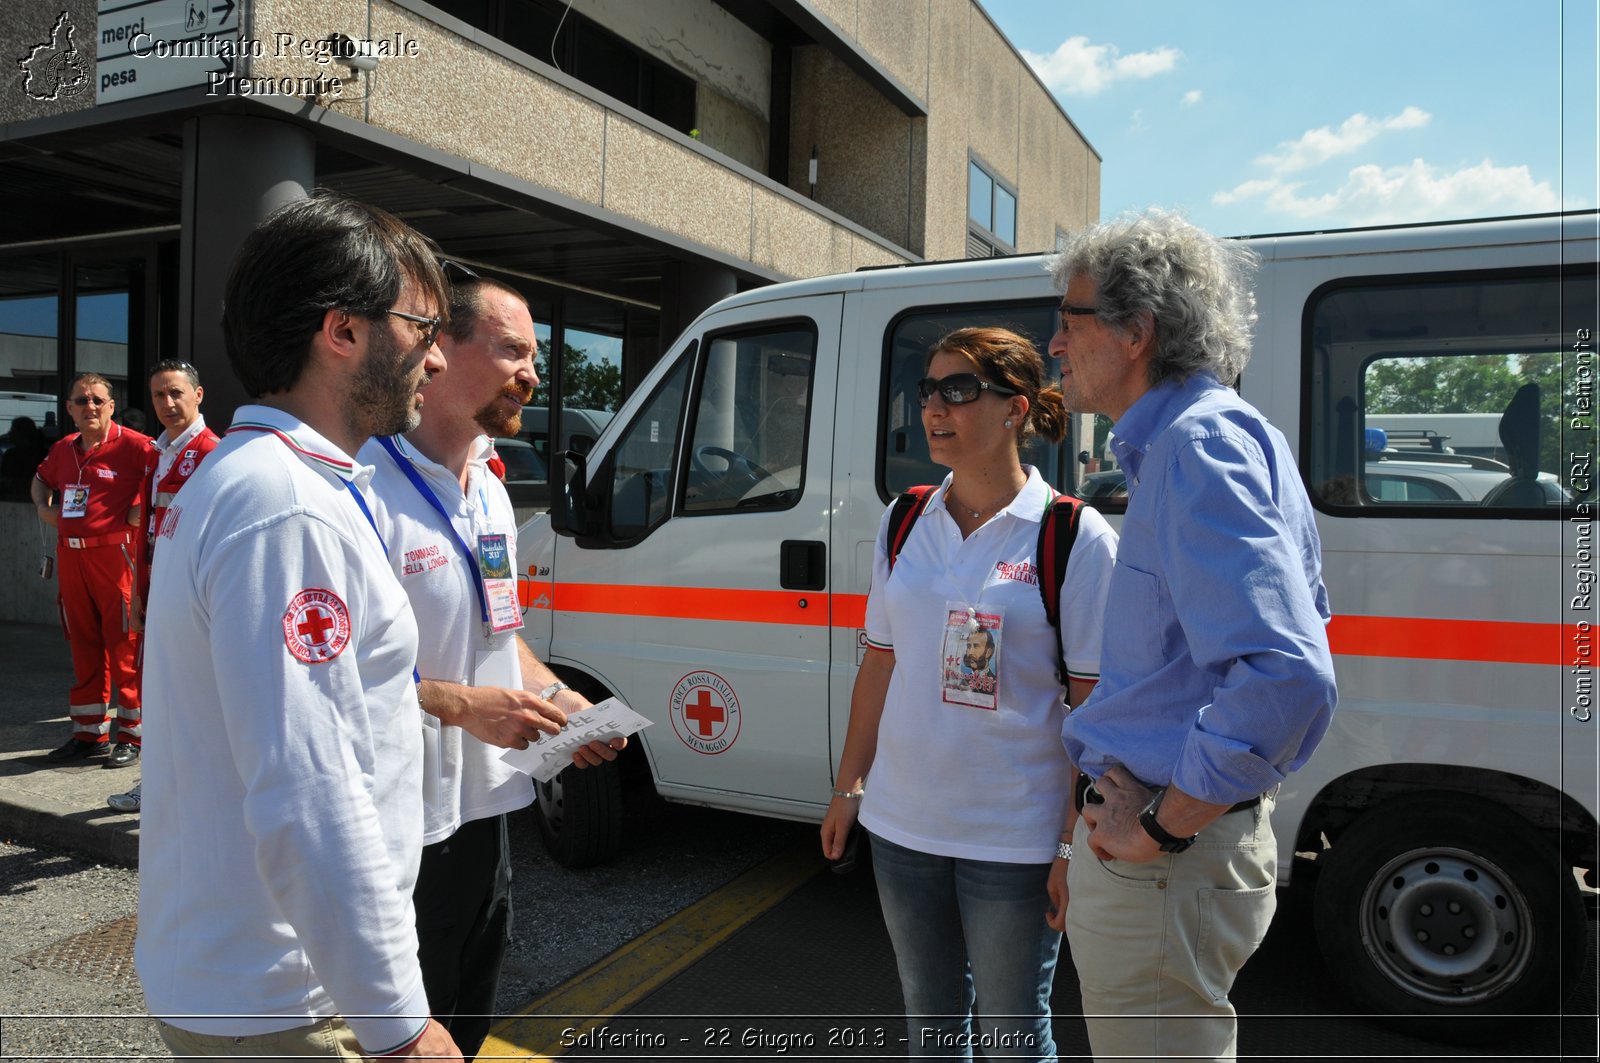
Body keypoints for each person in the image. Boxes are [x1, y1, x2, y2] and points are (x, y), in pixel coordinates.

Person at [135, 191, 462, 1062]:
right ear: (342, 332)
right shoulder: (287, 507)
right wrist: (400, 1025)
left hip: (263, 981)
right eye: (424, 329)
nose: (436, 360)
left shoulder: (263, 482)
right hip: (288, 999)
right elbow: (310, 790)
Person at [1047, 210, 1337, 1062]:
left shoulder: (1195, 445)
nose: (1054, 342)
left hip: (1165, 866)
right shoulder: (1211, 436)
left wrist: (1164, 825)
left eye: (1070, 316)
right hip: (1168, 857)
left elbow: (1286, 674)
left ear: (1138, 331)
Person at [821, 326, 1117, 1062]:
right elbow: (880, 664)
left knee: (1015, 1029)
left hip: (1014, 836)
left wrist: (1069, 846)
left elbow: (1095, 706)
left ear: (1015, 409)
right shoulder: (904, 518)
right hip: (903, 826)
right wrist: (849, 785)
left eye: (960, 389)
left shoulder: (1072, 535)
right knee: (930, 1020)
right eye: (929, 390)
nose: (935, 408)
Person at [360, 274, 625, 1059]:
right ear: (440, 348)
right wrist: (462, 705)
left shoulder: (491, 492)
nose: (533, 373)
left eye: (535, 356)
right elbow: (336, 683)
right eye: (513, 349)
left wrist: (558, 696)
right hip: (395, 826)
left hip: (483, 816)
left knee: (466, 1031)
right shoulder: (365, 485)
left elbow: (499, 635)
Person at [107, 359, 222, 812]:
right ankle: (158, 782)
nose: (168, 403)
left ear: (199, 395)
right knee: (161, 691)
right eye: (159, 395)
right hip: (158, 589)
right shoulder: (159, 453)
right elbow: (149, 530)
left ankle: (184, 789)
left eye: (176, 393)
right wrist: (139, 593)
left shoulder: (214, 452)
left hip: (189, 595)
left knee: (192, 694)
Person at [31, 373, 153, 766]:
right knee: (83, 644)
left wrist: (141, 510)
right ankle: (87, 734)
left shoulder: (136, 446)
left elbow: (170, 478)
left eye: (98, 400)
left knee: (125, 647)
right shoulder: (64, 448)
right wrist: (42, 508)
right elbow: (40, 480)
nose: (91, 407)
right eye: (81, 401)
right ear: (69, 408)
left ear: (111, 405)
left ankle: (132, 737)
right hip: (71, 557)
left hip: (115, 559)